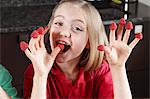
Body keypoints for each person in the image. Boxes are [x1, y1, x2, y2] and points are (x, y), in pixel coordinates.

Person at [20, 0, 143, 99]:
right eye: (59, 23)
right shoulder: (35, 71)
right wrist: (41, 76)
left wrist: (118, 69)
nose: (64, 32)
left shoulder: (101, 71)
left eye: (77, 28)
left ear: (89, 42)